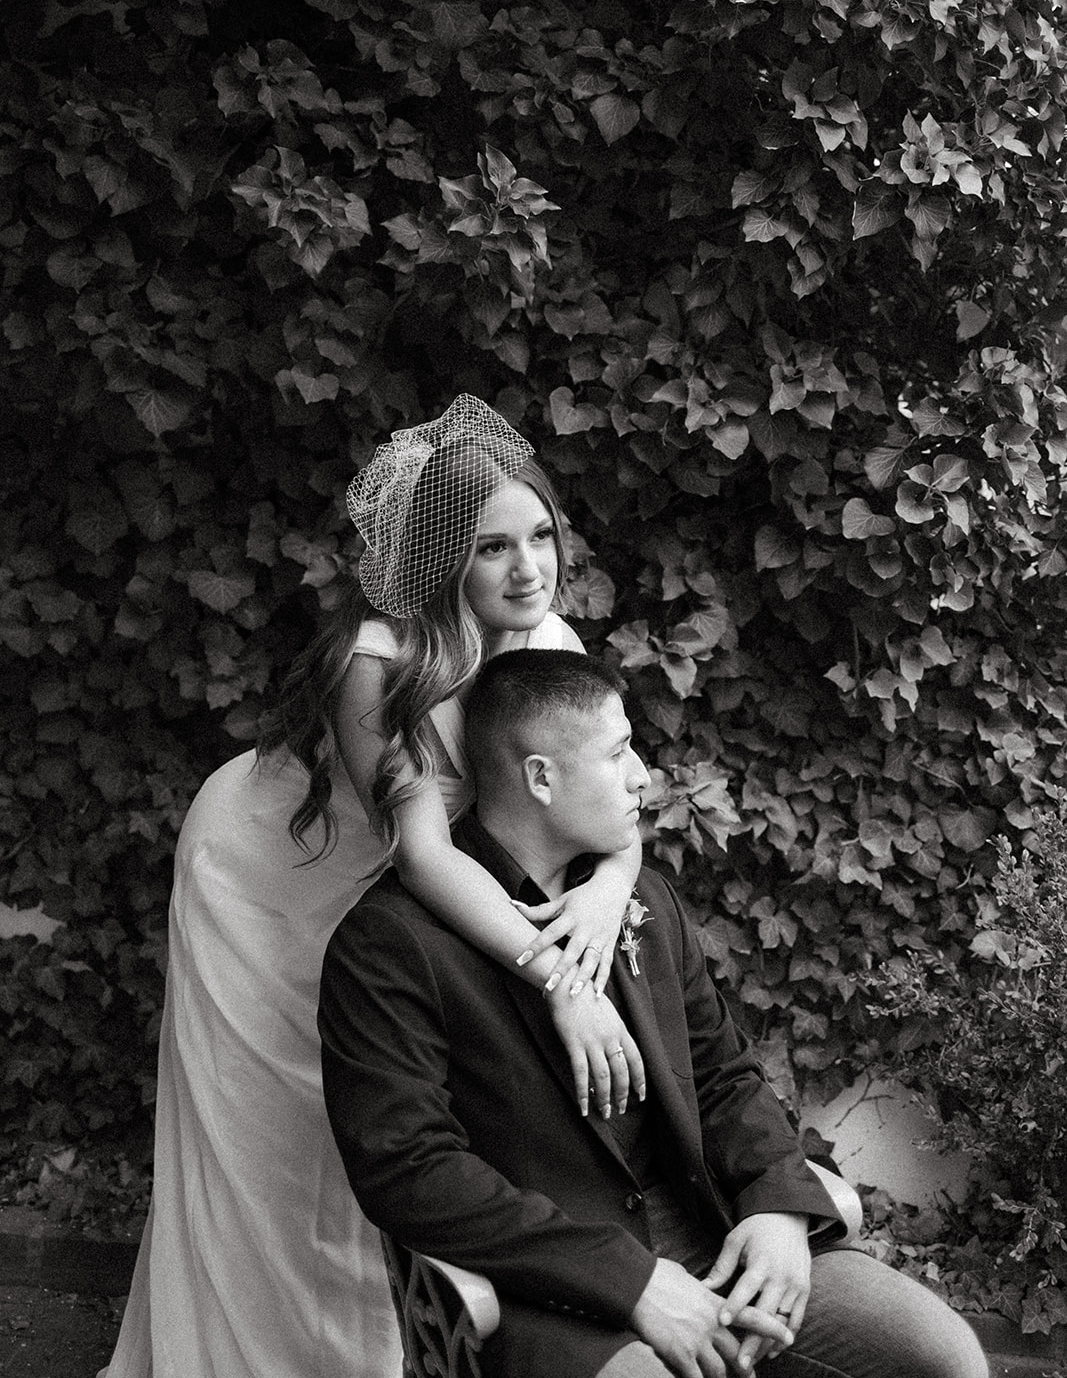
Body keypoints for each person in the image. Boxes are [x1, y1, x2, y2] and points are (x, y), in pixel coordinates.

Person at [101, 396, 644, 1378]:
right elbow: (424, 852)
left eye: (540, 536)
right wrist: (562, 980)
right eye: (491, 547)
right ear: (443, 557)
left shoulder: (552, 646)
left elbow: (610, 799)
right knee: (268, 1150)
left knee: (385, 1139)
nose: (528, 568)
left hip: (402, 913)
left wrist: (609, 886)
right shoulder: (378, 658)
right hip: (265, 886)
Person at [319, 650, 990, 1378]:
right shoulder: (388, 943)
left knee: (938, 1354)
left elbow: (724, 1075)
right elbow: (407, 1168)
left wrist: (777, 1211)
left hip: (714, 1235)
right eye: (617, 753)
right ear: (540, 777)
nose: (644, 775)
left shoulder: (644, 904)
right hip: (551, 1292)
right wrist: (628, 1281)